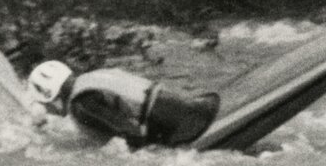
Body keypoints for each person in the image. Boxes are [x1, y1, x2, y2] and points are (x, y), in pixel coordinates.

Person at [26, 60, 219, 148]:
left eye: (47, 105)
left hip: (182, 127)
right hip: (186, 108)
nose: (50, 111)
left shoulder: (81, 105)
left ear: (54, 96)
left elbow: (131, 132)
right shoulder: (88, 78)